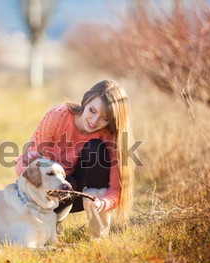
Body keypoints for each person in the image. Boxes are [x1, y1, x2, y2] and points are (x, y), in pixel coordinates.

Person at [15, 80, 134, 239]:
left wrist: (101, 203)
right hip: (46, 192)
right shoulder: (58, 116)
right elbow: (28, 168)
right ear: (85, 101)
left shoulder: (108, 136)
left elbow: (115, 190)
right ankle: (48, 224)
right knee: (68, 182)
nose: (94, 120)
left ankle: (97, 235)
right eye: (92, 110)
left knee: (96, 149)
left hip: (78, 195)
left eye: (104, 118)